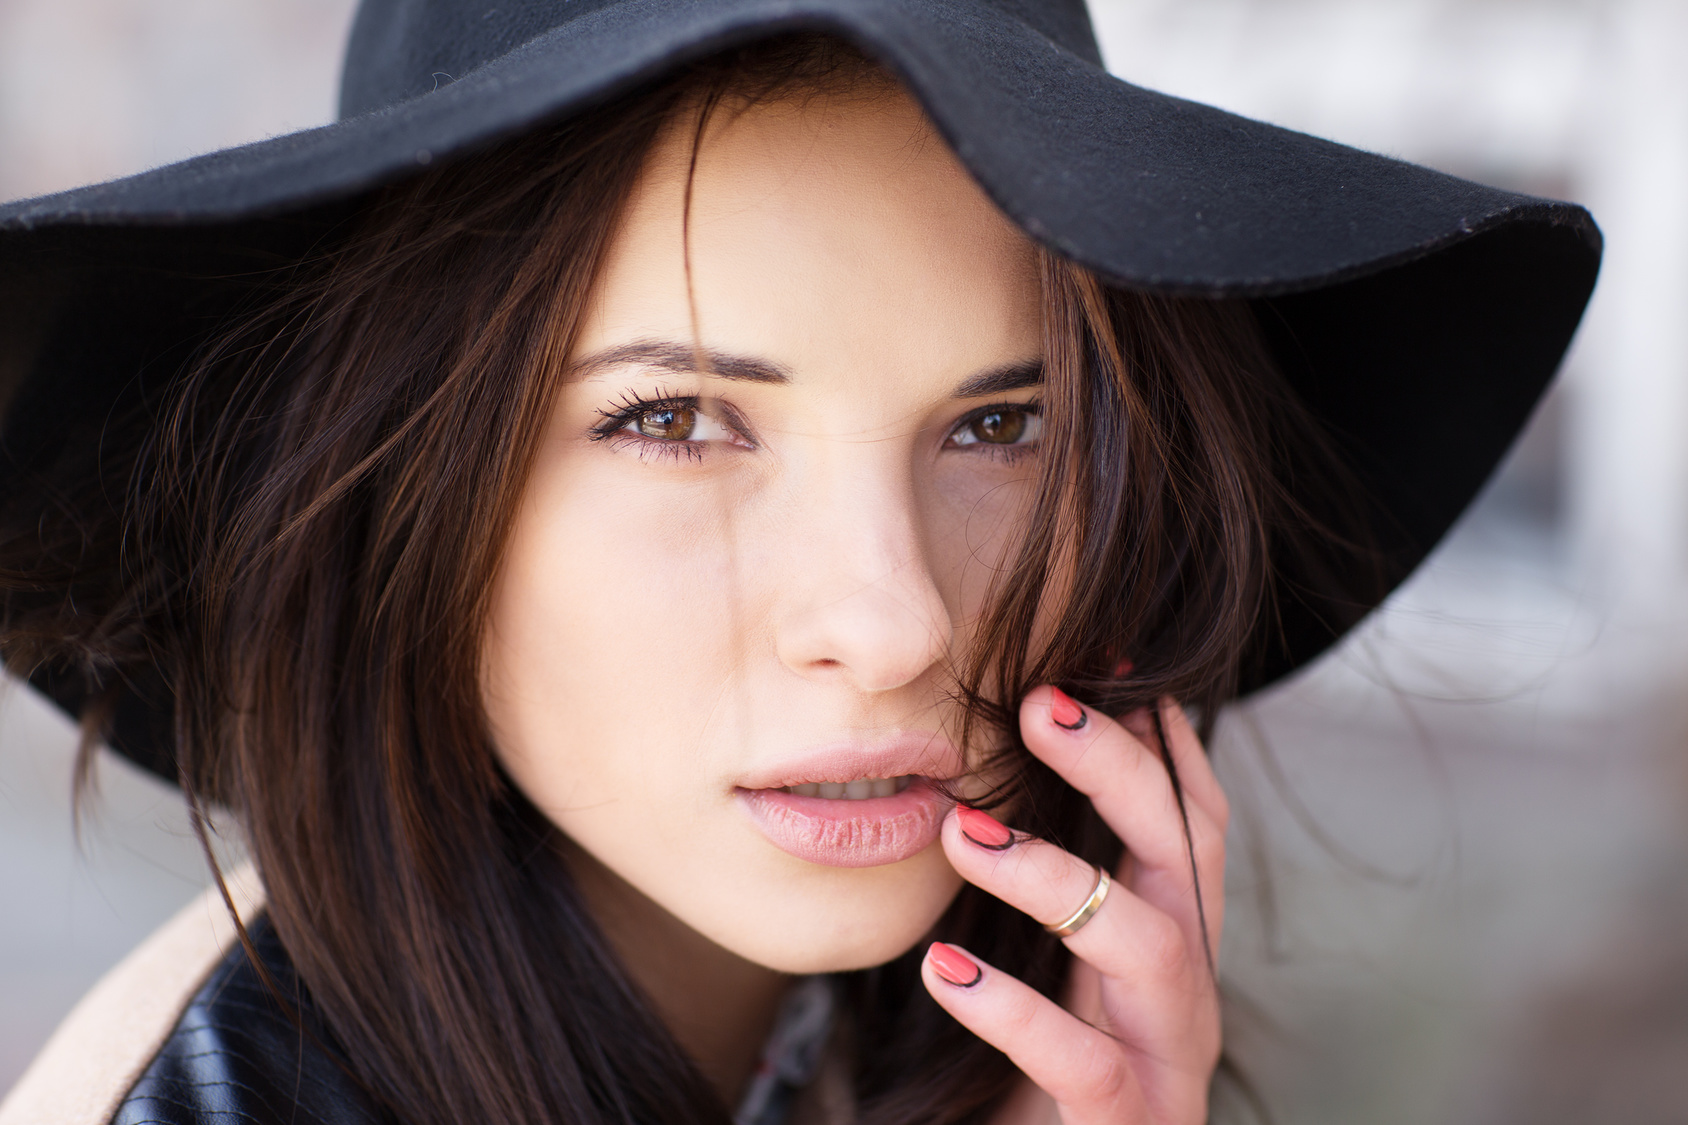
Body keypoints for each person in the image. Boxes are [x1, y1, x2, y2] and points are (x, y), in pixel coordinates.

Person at [0, 3, 1597, 1124]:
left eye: (1002, 427)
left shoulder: (924, 1044)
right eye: (679, 417)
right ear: (406, 492)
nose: (893, 621)